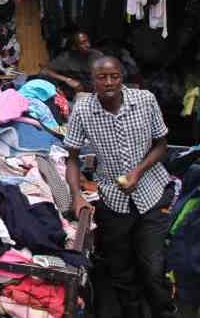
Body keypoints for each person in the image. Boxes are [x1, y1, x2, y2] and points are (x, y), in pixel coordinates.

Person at [64, 56, 175, 317]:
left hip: (151, 192)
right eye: (102, 77)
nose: (109, 82)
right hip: (113, 199)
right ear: (93, 82)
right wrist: (77, 196)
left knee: (152, 266)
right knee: (121, 269)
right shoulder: (83, 110)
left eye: (114, 76)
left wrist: (138, 171)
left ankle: (164, 311)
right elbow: (71, 158)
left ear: (121, 78)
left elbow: (161, 145)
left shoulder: (145, 100)